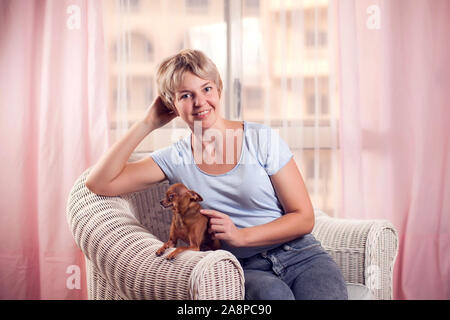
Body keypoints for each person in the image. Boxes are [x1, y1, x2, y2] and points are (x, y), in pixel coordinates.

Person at [86, 49, 348, 300]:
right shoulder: (175, 157)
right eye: (186, 96)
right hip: (244, 267)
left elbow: (303, 217)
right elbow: (99, 182)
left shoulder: (260, 139)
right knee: (273, 296)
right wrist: (147, 123)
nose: (200, 102)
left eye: (206, 89)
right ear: (171, 106)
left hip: (301, 254)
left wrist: (240, 236)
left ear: (218, 90)